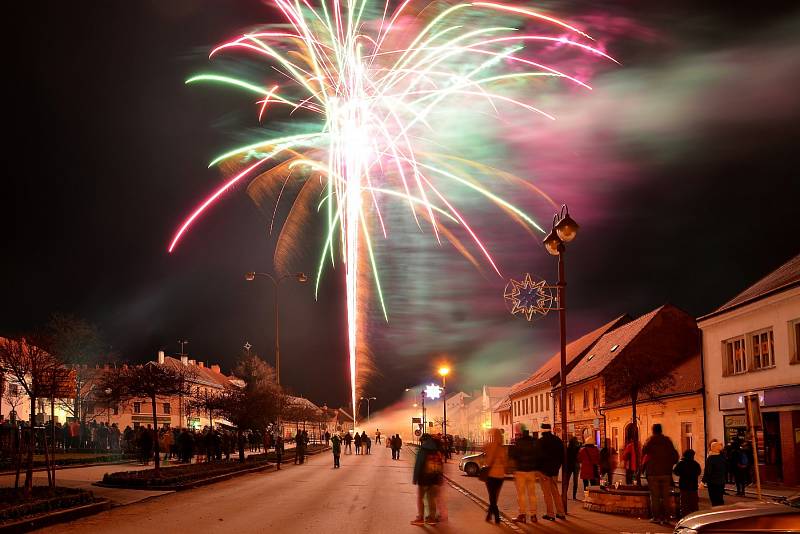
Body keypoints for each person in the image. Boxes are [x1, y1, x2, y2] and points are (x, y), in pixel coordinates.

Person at [641, 423, 679, 525]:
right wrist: (669, 464)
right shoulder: (667, 441)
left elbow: (643, 452)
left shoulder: (650, 441)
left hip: (653, 473)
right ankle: (666, 518)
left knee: (655, 496)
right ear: (661, 430)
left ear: (653, 430)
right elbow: (675, 456)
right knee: (665, 496)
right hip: (666, 473)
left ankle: (656, 517)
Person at [535, 423, 566, 521]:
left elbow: (538, 457)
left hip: (544, 471)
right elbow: (562, 456)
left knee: (547, 494)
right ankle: (561, 513)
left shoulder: (540, 442)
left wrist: (538, 469)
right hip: (554, 471)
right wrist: (557, 467)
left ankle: (550, 514)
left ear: (542, 431)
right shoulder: (558, 441)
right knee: (555, 492)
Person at [411, 434, 444, 526]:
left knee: (420, 498)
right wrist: (440, 478)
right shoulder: (437, 450)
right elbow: (441, 465)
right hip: (434, 478)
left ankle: (420, 518)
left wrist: (415, 478)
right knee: (431, 498)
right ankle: (431, 518)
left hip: (424, 478)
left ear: (423, 441)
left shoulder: (423, 450)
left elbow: (418, 464)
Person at [510, 428, 539, 523]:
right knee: (532, 494)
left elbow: (513, 455)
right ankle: (533, 515)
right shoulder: (534, 443)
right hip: (531, 471)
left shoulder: (519, 442)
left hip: (520, 471)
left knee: (521, 494)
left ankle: (522, 515)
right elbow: (538, 456)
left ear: (522, 435)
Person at [482, 428, 507, 524]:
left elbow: (487, 461)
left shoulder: (489, 446)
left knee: (492, 497)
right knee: (494, 497)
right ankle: (489, 516)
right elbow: (505, 463)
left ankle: (496, 517)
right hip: (500, 476)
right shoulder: (502, 448)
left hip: (491, 475)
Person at [673, 449, 701, 518]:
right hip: (693, 485)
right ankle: (695, 516)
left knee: (684, 503)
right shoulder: (695, 464)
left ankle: (685, 517)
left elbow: (675, 472)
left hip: (684, 485)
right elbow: (699, 472)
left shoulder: (681, 463)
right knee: (694, 503)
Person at [702, 441, 727, 506]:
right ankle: (721, 510)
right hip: (721, 481)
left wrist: (703, 481)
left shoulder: (711, 458)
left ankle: (716, 512)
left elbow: (708, 471)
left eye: (712, 446)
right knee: (720, 498)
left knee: (714, 499)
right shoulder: (722, 457)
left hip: (712, 482)